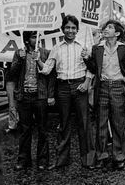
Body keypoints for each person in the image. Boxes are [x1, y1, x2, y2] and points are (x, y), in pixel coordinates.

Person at [37, 15, 95, 169]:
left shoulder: (83, 46)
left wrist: (87, 82)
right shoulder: (57, 48)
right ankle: (62, 161)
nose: (70, 30)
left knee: (84, 123)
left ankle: (88, 160)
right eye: (68, 27)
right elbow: (47, 69)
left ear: (77, 30)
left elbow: (92, 68)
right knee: (64, 124)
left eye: (73, 28)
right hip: (62, 88)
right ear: (63, 29)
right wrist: (38, 59)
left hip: (79, 86)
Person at [82, 20, 125, 171]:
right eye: (105, 27)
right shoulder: (96, 48)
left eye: (109, 28)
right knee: (101, 124)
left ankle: (118, 156)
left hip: (118, 87)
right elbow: (93, 68)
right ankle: (102, 156)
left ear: (117, 34)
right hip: (102, 87)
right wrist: (86, 58)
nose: (105, 29)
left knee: (118, 124)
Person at [10, 31, 55, 170]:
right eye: (33, 37)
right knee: (24, 129)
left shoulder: (46, 53)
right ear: (27, 39)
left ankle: (42, 160)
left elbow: (51, 76)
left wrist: (50, 95)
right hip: (24, 97)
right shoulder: (19, 53)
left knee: (42, 129)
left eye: (37, 36)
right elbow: (12, 73)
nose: (36, 39)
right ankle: (23, 160)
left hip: (40, 96)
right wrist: (19, 60)